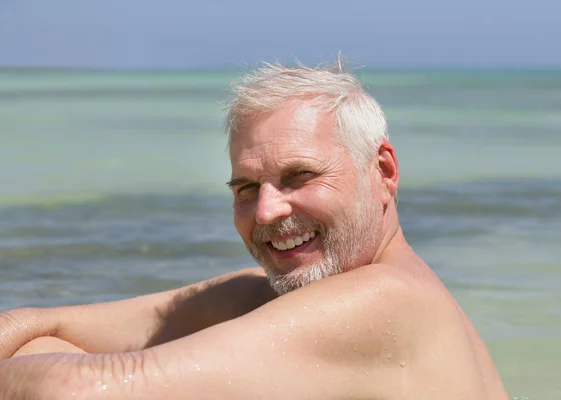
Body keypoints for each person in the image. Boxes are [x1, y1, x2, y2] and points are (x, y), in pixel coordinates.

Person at [0, 59, 510, 400]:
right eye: (245, 188)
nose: (266, 212)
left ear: (384, 172)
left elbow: (75, 390)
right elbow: (47, 322)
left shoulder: (385, 301)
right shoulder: (294, 298)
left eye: (299, 177)